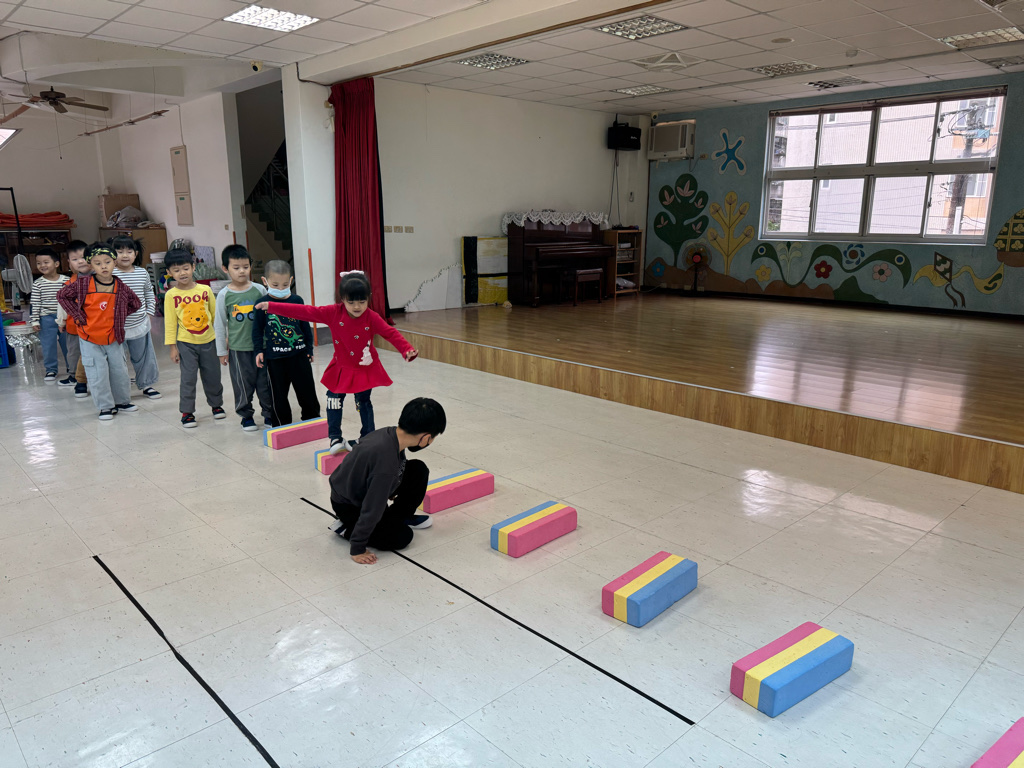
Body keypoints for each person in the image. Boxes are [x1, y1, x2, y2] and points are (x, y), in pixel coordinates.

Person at [255, 270, 417, 456]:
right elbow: (305, 312)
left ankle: (367, 437)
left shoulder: (371, 317)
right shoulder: (333, 313)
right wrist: (272, 306)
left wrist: (406, 349)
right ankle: (335, 437)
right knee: (333, 400)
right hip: (341, 367)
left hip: (364, 368)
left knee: (363, 402)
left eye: (362, 301)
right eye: (351, 302)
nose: (357, 307)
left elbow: (390, 332)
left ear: (369, 298)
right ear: (342, 299)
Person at [330, 397, 446, 564]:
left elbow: (392, 469)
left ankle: (398, 518)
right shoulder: (385, 464)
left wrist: (392, 486)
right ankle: (347, 529)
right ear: (426, 437)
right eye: (433, 438)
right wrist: (357, 547)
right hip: (350, 505)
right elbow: (372, 506)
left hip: (363, 486)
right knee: (402, 536)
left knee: (418, 470)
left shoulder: (392, 434)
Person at [56, 244, 141, 420]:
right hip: (89, 338)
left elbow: (136, 303)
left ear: (115, 263)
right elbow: (62, 295)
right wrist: (78, 315)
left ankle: (122, 402)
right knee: (97, 373)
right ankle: (105, 407)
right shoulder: (83, 284)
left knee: (119, 371)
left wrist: (120, 314)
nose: (103, 266)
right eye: (98, 263)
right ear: (90, 265)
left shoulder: (120, 286)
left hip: (114, 337)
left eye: (107, 262)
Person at [251, 259, 319, 427]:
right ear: (265, 281)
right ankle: (281, 425)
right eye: (275, 285)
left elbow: (305, 326)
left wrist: (309, 349)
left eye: (285, 285)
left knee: (307, 392)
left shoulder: (297, 300)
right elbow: (257, 330)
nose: (280, 289)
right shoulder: (261, 304)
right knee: (278, 396)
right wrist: (258, 350)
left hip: (299, 355)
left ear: (291, 280)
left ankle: (312, 422)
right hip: (275, 359)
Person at [163, 248, 224, 428]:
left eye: (185, 268)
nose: (182, 273)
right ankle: (187, 412)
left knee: (213, 376)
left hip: (209, 341)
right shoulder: (171, 295)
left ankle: (216, 405)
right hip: (186, 343)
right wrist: (172, 347)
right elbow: (170, 323)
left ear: (193, 267)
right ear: (169, 272)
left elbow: (215, 317)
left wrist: (222, 339)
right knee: (188, 378)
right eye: (176, 270)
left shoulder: (205, 290)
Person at [214, 244, 272, 431]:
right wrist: (221, 351)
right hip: (238, 349)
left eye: (246, 267)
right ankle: (246, 416)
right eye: (236, 267)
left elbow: (270, 317)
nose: (242, 271)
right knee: (242, 384)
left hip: (262, 347)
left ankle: (269, 414)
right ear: (225, 269)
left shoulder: (260, 290)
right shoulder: (224, 295)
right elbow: (219, 324)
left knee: (266, 383)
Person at [111, 235, 161, 400]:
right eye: (119, 252)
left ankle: (146, 384)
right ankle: (120, 389)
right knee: (117, 359)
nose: (124, 255)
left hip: (140, 323)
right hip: (115, 326)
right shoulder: (110, 274)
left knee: (144, 356)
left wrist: (149, 313)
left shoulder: (142, 273)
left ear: (136, 254)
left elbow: (149, 293)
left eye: (129, 251)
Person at [30, 248, 69, 382]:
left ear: (56, 264)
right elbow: (35, 303)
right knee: (48, 345)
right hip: (46, 318)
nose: (42, 265)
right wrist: (35, 321)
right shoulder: (38, 284)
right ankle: (51, 370)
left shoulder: (67, 281)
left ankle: (72, 367)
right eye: (39, 263)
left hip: (65, 318)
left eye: (46, 262)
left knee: (68, 344)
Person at [56, 240, 89, 389]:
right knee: (74, 352)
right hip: (74, 326)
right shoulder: (69, 284)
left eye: (83, 257)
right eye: (75, 259)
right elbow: (62, 305)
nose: (80, 261)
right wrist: (61, 322)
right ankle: (73, 376)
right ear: (69, 263)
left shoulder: (100, 279)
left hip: (95, 326)